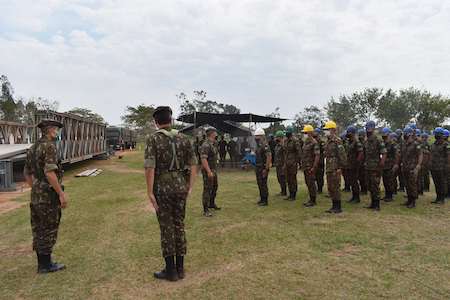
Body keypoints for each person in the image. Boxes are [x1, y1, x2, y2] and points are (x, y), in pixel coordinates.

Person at [144, 106, 197, 281]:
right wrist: (190, 186)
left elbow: (150, 166)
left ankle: (171, 271)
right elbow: (193, 163)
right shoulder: (184, 138)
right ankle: (180, 269)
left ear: (156, 122)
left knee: (166, 227)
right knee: (179, 225)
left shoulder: (153, 139)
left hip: (163, 188)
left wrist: (150, 192)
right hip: (181, 187)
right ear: (171, 120)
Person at [23, 119, 67, 274]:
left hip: (36, 193)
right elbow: (50, 172)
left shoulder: (33, 147)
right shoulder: (49, 146)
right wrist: (60, 193)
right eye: (56, 129)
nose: (58, 132)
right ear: (51, 130)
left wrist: (35, 187)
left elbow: (27, 172)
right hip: (48, 195)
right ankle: (46, 265)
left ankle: (42, 264)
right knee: (49, 227)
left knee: (38, 228)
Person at [323, 121, 346, 213]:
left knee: (335, 186)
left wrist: (340, 167)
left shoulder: (337, 141)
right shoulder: (328, 141)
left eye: (327, 129)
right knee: (330, 187)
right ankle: (333, 206)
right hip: (329, 166)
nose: (325, 131)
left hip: (335, 167)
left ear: (332, 130)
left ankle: (338, 207)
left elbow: (342, 155)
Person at [364, 121, 386, 211]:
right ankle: (372, 203)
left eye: (369, 128)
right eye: (366, 128)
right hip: (368, 167)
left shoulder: (378, 139)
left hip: (375, 167)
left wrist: (381, 164)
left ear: (373, 128)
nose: (367, 130)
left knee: (375, 186)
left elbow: (384, 153)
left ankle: (377, 205)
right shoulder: (367, 140)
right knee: (369, 185)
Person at [200, 127, 221, 217]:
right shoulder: (206, 145)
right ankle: (206, 209)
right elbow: (203, 159)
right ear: (212, 133)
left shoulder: (213, 144)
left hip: (213, 169)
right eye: (215, 132)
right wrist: (208, 171)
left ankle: (211, 203)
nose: (216, 133)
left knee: (215, 187)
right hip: (208, 170)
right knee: (207, 189)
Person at [401, 127, 422, 208]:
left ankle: (413, 202)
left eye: (405, 134)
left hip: (412, 168)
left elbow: (420, 155)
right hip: (405, 167)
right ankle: (409, 200)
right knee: (407, 184)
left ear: (409, 134)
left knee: (412, 184)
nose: (404, 135)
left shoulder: (416, 144)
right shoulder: (404, 144)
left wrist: (418, 165)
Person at [301, 125, 320, 207]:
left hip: (311, 167)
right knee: (308, 183)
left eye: (305, 133)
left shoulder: (314, 143)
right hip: (306, 166)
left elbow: (317, 155)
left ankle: (313, 200)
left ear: (310, 133)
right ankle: (310, 198)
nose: (304, 134)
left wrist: (314, 167)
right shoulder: (305, 142)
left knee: (311, 183)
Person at [430, 127, 449, 204]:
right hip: (434, 167)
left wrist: (447, 166)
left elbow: (448, 156)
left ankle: (442, 198)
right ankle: (438, 197)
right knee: (436, 183)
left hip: (442, 167)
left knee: (442, 183)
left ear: (441, 135)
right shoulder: (433, 144)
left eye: (438, 134)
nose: (436, 135)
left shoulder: (446, 144)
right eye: (435, 134)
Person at [345, 126, 364, 204]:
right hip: (349, 164)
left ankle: (357, 198)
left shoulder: (357, 142)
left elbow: (361, 152)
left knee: (354, 181)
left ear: (353, 133)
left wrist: (357, 162)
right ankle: (353, 196)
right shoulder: (349, 142)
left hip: (354, 165)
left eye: (349, 133)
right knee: (351, 181)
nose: (348, 134)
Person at [381, 128, 400, 202]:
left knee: (390, 181)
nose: (384, 138)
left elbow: (397, 154)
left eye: (386, 136)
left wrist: (396, 164)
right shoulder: (383, 144)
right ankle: (387, 195)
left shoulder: (393, 144)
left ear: (389, 135)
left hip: (390, 165)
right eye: (383, 136)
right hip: (385, 165)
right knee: (385, 181)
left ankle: (390, 196)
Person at [254, 128, 272, 206]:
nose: (256, 138)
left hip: (263, 167)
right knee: (259, 183)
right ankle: (262, 199)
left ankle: (265, 200)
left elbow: (269, 156)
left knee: (263, 184)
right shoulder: (258, 145)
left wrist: (266, 168)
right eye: (255, 137)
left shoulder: (265, 145)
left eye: (258, 137)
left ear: (262, 136)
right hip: (258, 167)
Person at [284, 126, 302, 201]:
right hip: (287, 162)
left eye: (287, 133)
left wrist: (298, 162)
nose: (286, 134)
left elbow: (299, 152)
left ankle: (293, 194)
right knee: (288, 179)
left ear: (290, 133)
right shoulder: (286, 141)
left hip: (293, 162)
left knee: (293, 179)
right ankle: (290, 193)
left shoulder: (295, 141)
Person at [274, 130, 287, 196]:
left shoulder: (283, 146)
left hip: (282, 164)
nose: (276, 138)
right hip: (278, 164)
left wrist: (284, 165)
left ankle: (284, 191)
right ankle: (282, 191)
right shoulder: (277, 146)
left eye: (277, 137)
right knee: (279, 178)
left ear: (280, 137)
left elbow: (285, 156)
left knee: (282, 178)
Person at [313, 128, 325, 194]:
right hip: (314, 160)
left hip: (320, 161)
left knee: (320, 176)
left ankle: (320, 189)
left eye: (315, 132)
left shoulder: (321, 141)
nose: (314, 133)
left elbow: (323, 150)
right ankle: (316, 188)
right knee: (314, 175)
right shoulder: (313, 140)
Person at [358, 129, 368, 195]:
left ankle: (364, 190)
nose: (360, 137)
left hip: (365, 162)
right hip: (360, 163)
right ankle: (362, 189)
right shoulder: (359, 143)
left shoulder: (366, 143)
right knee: (360, 177)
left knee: (364, 177)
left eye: (361, 135)